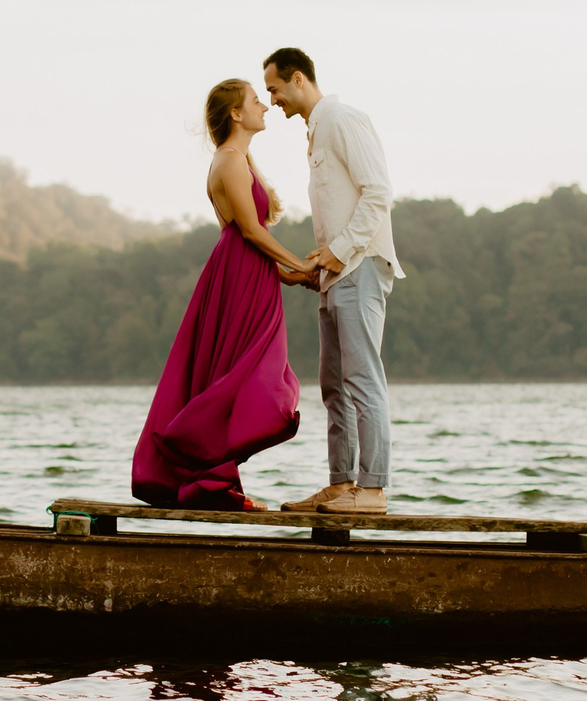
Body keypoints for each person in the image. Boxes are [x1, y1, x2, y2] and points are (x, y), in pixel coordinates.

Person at [131, 78, 312, 511]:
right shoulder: (229, 161)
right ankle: (211, 480)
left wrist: (285, 276)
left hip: (249, 273)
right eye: (256, 101)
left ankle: (215, 481)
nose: (264, 107)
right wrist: (300, 264)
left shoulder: (237, 160)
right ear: (236, 113)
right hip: (240, 276)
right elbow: (248, 231)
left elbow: (247, 236)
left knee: (236, 375)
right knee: (246, 378)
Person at [260, 47, 401, 515]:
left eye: (275, 89)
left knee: (363, 380)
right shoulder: (316, 132)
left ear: (298, 78)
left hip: (360, 267)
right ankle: (342, 486)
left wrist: (338, 253)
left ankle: (373, 491)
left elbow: (378, 192)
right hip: (335, 275)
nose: (272, 100)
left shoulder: (341, 119)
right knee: (334, 386)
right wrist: (317, 268)